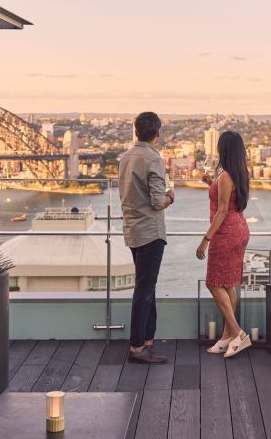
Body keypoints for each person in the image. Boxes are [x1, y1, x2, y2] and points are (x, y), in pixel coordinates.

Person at [119, 112, 175, 364]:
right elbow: (157, 202)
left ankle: (148, 339)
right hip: (151, 233)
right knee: (143, 289)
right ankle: (137, 347)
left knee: (147, 286)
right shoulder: (153, 158)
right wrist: (171, 197)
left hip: (132, 229)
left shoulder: (126, 157)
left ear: (136, 131)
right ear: (157, 133)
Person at [196, 131, 251, 358]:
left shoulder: (227, 176)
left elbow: (221, 210)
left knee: (213, 283)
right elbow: (230, 200)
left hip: (226, 232)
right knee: (228, 283)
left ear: (224, 150)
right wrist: (211, 183)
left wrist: (205, 240)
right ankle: (227, 336)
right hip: (239, 229)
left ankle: (238, 334)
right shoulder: (239, 173)